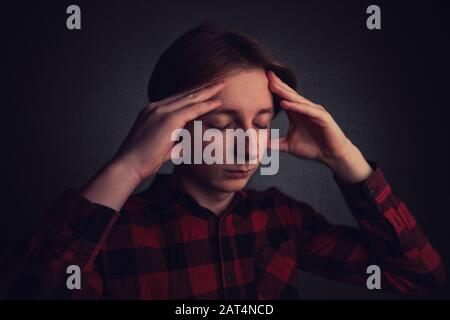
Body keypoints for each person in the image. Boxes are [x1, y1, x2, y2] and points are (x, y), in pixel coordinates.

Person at [0, 23, 445, 299]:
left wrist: (344, 157)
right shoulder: (112, 236)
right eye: (221, 123)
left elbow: (419, 276)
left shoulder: (281, 219)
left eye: (261, 121)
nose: (247, 145)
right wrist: (127, 168)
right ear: (170, 124)